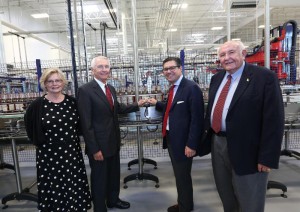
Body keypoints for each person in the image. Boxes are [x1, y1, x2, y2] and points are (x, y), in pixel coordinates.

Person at [202, 40, 284, 212]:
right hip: (218, 143)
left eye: (231, 52)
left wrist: (267, 157)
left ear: (244, 53)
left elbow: (274, 120)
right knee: (227, 196)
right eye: (222, 55)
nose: (227, 58)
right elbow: (212, 109)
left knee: (250, 200)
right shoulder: (217, 79)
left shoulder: (264, 77)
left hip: (249, 150)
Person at [77, 56, 146, 212]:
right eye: (100, 67)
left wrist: (137, 105)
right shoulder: (85, 90)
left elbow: (117, 109)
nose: (104, 69)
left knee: (114, 175)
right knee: (100, 178)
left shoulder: (110, 89)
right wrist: (94, 149)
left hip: (113, 141)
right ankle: (100, 207)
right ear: (93, 70)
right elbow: (85, 123)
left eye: (107, 66)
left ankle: (113, 200)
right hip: (99, 145)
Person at [24, 68, 91, 211]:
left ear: (63, 82)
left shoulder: (72, 102)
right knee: (53, 185)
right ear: (45, 84)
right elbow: (30, 127)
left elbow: (81, 124)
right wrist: (39, 143)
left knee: (72, 183)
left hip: (71, 153)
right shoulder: (37, 106)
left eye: (58, 80)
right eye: (50, 81)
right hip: (48, 155)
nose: (55, 84)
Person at [147, 57, 204, 212]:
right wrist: (157, 104)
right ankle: (184, 203)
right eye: (165, 69)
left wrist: (191, 144)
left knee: (182, 176)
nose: (168, 71)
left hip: (184, 142)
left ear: (180, 68)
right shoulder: (174, 88)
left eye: (172, 68)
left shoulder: (191, 88)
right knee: (180, 175)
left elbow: (197, 120)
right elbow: (173, 108)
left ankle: (185, 207)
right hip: (173, 138)